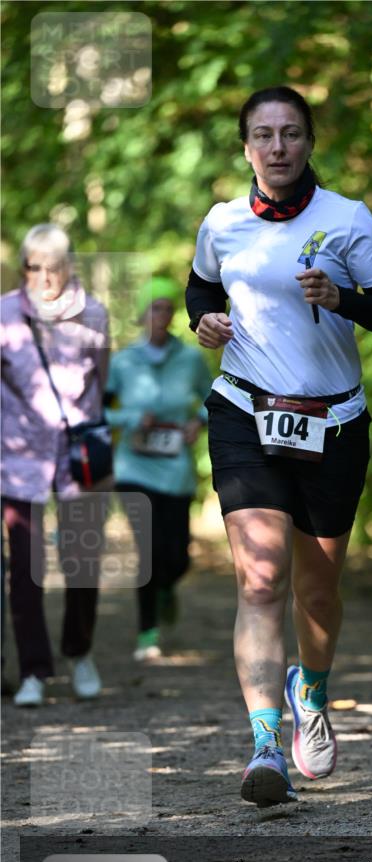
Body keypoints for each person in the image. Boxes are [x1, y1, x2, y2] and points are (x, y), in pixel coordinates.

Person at [186, 86, 372, 807]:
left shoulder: (347, 221)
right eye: (262, 134)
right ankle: (263, 746)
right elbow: (199, 291)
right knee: (259, 579)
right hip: (244, 410)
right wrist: (206, 324)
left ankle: (309, 691)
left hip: (332, 422)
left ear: (310, 142)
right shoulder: (221, 224)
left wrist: (344, 299)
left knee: (317, 590)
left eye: (289, 133)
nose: (276, 147)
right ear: (245, 146)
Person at [1, 224, 109, 707]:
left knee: (82, 562)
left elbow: (100, 389)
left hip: (76, 459)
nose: (44, 277)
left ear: (70, 267)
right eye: (34, 266)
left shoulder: (95, 317)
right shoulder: (3, 315)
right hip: (17, 458)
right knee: (25, 567)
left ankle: (79, 651)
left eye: (54, 266)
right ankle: (34, 671)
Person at [104, 278, 211, 661]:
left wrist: (197, 420)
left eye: (167, 308)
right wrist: (131, 417)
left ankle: (167, 589)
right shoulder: (123, 362)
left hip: (176, 467)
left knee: (178, 556)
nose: (161, 315)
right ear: (142, 313)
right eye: (155, 308)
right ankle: (147, 633)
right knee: (148, 551)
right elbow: (99, 412)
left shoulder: (191, 359)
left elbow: (217, 396)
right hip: (134, 467)